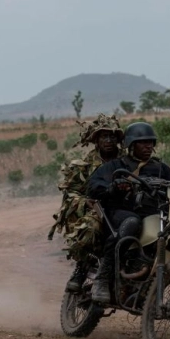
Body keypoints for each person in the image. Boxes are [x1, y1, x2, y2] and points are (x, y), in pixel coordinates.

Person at [86, 122, 170, 304]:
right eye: (143, 142)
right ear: (131, 145)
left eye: (151, 142)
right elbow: (93, 185)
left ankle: (153, 286)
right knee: (132, 222)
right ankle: (103, 278)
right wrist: (113, 187)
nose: (148, 146)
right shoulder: (115, 166)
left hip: (153, 216)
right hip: (121, 212)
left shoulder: (161, 168)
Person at [48, 113, 125, 293]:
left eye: (112, 136)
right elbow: (71, 192)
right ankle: (81, 270)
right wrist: (85, 203)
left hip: (125, 209)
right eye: (104, 136)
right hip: (97, 210)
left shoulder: (127, 160)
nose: (108, 140)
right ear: (96, 140)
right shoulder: (85, 165)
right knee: (90, 229)